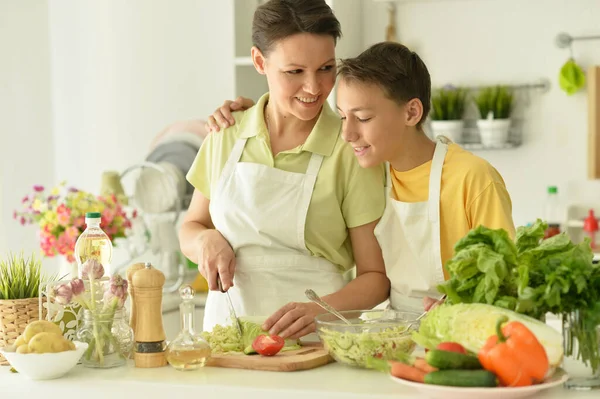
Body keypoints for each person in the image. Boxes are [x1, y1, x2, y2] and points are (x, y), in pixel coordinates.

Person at [206, 42, 516, 314]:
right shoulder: (375, 173)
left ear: (411, 113)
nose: (348, 133)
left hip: (465, 343)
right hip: (398, 338)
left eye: (363, 118)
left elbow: (509, 282)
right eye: (342, 116)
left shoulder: (473, 178)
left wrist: (464, 305)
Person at [179, 0, 389, 339]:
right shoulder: (227, 133)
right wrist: (205, 239)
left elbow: (376, 277)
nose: (314, 88)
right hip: (226, 340)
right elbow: (190, 227)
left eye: (325, 68)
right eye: (295, 72)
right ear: (260, 61)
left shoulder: (350, 149)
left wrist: (321, 310)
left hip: (315, 341)